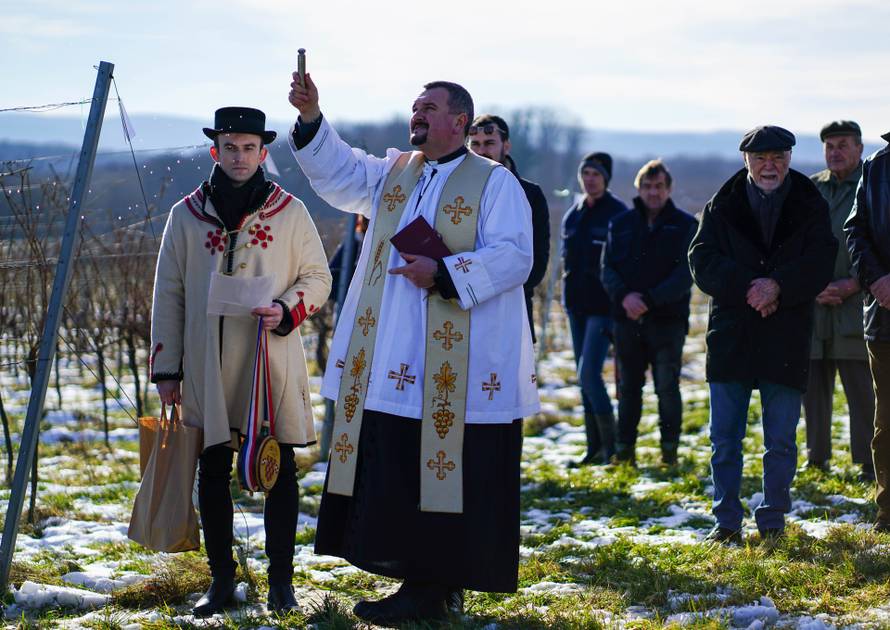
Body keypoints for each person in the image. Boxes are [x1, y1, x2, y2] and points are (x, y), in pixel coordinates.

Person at [288, 72, 538, 625]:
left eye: (430, 107)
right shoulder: (397, 172)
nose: (417, 114)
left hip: (458, 364)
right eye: (415, 106)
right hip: (394, 357)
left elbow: (516, 255)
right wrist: (311, 118)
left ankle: (434, 589)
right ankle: (421, 585)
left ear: (459, 122)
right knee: (402, 466)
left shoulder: (495, 183)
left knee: (448, 470)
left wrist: (445, 272)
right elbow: (340, 173)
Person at [150, 107, 332, 616]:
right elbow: (169, 294)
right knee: (211, 470)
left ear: (263, 152)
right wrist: (168, 371)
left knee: (281, 471)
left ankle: (281, 582)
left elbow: (318, 278)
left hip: (268, 359)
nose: (239, 156)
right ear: (215, 150)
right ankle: (222, 580)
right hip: (207, 365)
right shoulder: (185, 215)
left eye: (249, 147)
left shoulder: (290, 211)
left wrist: (286, 308)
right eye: (230, 147)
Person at [688, 125, 836, 543]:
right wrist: (750, 287)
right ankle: (727, 521)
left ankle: (772, 520)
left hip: (785, 332)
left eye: (778, 157)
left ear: (789, 158)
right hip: (733, 333)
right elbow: (701, 259)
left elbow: (822, 259)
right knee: (725, 440)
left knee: (782, 441)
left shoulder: (810, 202)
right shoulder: (722, 203)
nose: (770, 166)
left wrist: (779, 287)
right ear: (746, 161)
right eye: (761, 158)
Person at [601, 159, 697, 466]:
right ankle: (624, 451)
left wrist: (651, 300)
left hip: (667, 321)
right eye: (647, 186)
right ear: (638, 189)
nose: (653, 192)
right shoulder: (621, 223)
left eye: (659, 187)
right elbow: (607, 268)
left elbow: (686, 274)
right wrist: (625, 297)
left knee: (667, 388)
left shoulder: (685, 226)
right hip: (626, 319)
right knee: (628, 389)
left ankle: (669, 452)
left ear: (668, 189)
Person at [805, 120, 874, 480]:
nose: (835, 151)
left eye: (843, 144)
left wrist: (854, 283)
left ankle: (867, 460)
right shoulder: (810, 189)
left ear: (860, 148)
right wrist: (810, 284)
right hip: (815, 304)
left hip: (858, 301)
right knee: (813, 386)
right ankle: (817, 457)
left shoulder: (873, 182)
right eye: (829, 146)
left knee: (861, 388)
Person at [561, 152, 627, 466]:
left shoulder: (618, 215)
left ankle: (611, 447)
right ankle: (593, 448)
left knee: (590, 375)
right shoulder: (573, 214)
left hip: (604, 307)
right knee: (582, 377)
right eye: (585, 173)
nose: (589, 179)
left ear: (606, 178)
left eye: (595, 174)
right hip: (576, 306)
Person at [468, 114, 550, 341]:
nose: (482, 151)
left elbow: (536, 261)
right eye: (475, 144)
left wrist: (490, 285)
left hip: (510, 307)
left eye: (489, 143)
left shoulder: (530, 194)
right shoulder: (456, 193)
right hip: (460, 307)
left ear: (506, 146)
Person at [845, 127, 890, 532]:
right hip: (885, 315)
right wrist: (877, 280)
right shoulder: (877, 166)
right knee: (887, 420)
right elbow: (855, 232)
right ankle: (888, 510)